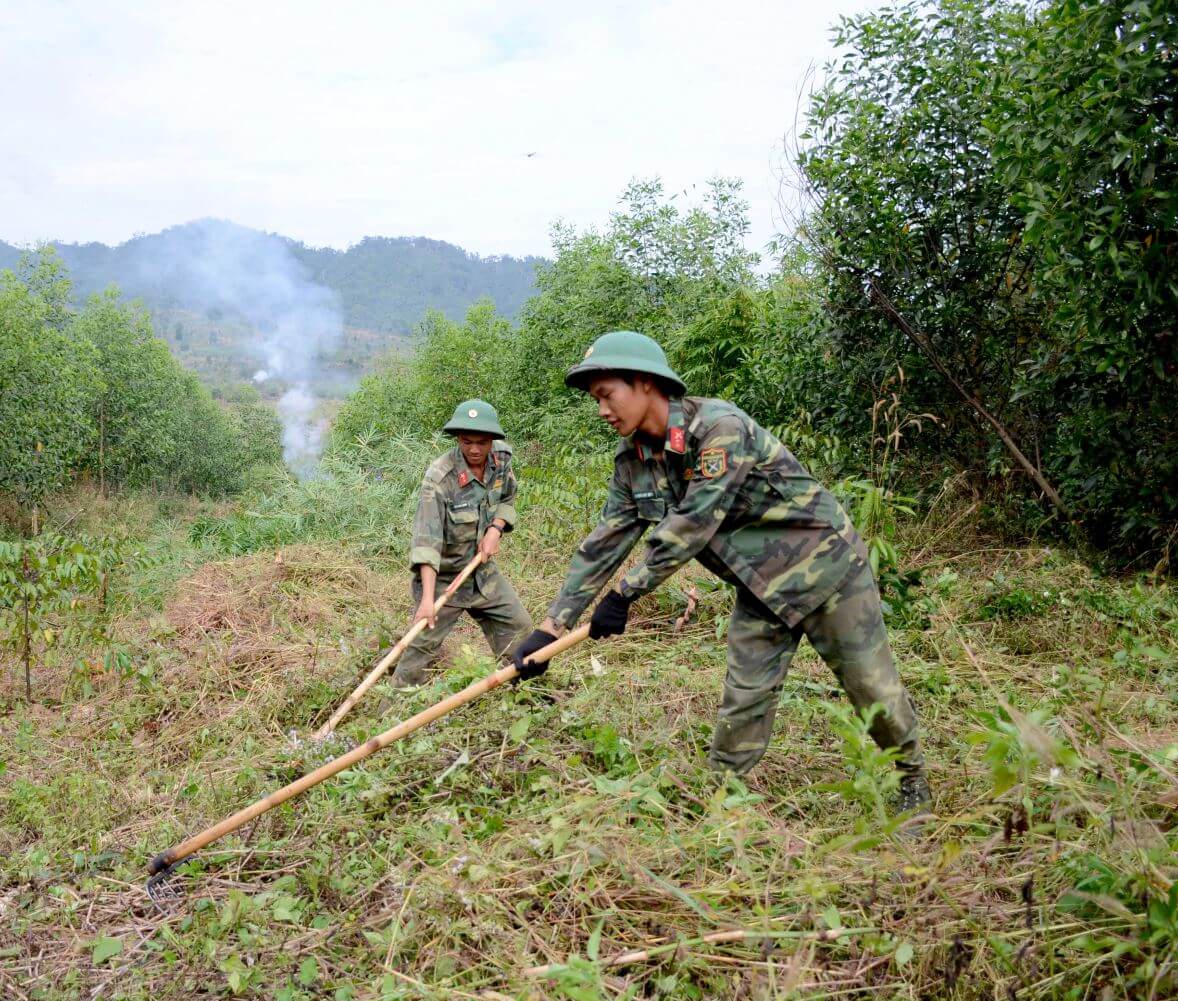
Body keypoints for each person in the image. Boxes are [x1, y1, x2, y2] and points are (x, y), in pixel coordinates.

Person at [509, 332, 932, 818]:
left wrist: (626, 595)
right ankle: (726, 804)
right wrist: (551, 627)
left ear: (645, 383)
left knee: (871, 687)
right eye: (596, 400)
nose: (602, 409)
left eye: (607, 395)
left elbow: (693, 524)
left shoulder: (718, 430)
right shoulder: (632, 461)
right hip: (760, 587)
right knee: (743, 698)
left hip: (827, 571)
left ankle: (913, 785)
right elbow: (605, 540)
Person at [391, 400, 533, 687]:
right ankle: (389, 719)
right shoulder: (439, 478)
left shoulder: (502, 459)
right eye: (467, 442)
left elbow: (507, 498)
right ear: (458, 439)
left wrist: (496, 528)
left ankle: (530, 699)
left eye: (482, 442)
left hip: (481, 573)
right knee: (420, 650)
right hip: (443, 579)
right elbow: (426, 543)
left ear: (493, 440)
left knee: (521, 630)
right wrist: (428, 600)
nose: (475, 449)